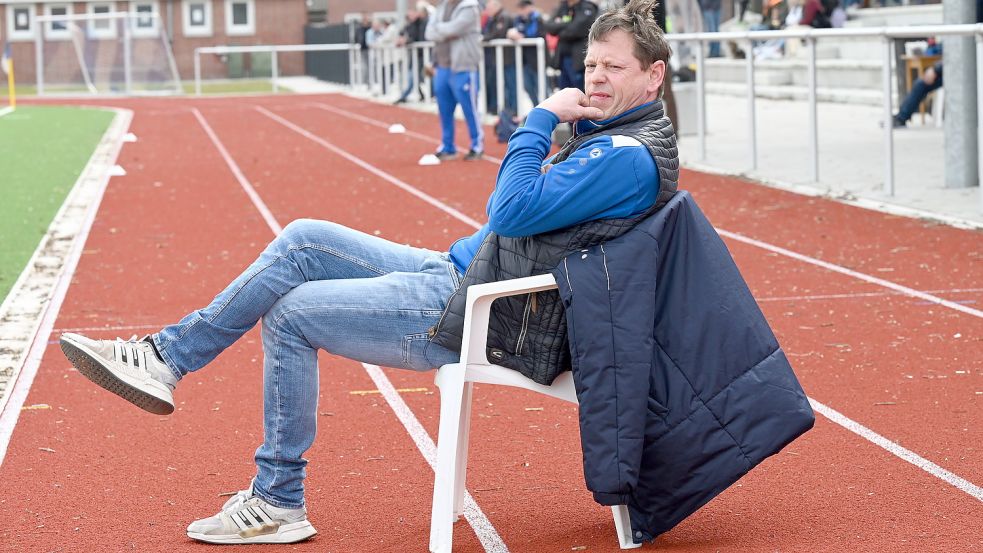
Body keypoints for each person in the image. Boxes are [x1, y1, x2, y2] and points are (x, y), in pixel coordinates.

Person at [59, 0, 677, 545]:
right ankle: (165, 359)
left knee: (292, 314)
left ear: (653, 75)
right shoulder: (614, 138)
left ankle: (278, 500)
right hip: (466, 271)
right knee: (303, 239)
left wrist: (541, 118)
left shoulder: (623, 157)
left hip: (478, 309)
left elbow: (509, 207)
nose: (595, 77)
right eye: (593, 64)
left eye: (612, 67)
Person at [425, 0, 484, 160]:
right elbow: (429, 33)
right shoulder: (441, 7)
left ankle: (476, 145)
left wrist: (440, 29)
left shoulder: (469, 7)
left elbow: (455, 28)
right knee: (444, 110)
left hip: (463, 66)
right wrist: (445, 32)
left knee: (469, 108)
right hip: (442, 66)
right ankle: (447, 146)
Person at [543, 0, 600, 91]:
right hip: (563, 59)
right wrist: (567, 24)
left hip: (578, 61)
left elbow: (575, 30)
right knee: (565, 94)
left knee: (580, 93)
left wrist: (559, 28)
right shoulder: (563, 7)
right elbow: (549, 26)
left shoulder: (587, 7)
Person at [507, 0, 546, 106]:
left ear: (530, 7)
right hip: (523, 60)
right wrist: (511, 34)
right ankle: (537, 107)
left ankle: (549, 112)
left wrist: (522, 37)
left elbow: (537, 34)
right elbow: (514, 32)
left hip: (537, 60)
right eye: (520, 8)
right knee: (528, 86)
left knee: (542, 87)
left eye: (524, 7)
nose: (521, 10)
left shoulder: (537, 18)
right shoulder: (518, 19)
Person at [481, 0, 517, 114]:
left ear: (496, 7)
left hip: (508, 58)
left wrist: (484, 38)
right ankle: (506, 109)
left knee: (510, 85)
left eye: (489, 8)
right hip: (500, 58)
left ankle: (513, 110)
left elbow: (499, 32)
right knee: (502, 84)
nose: (487, 11)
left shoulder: (503, 16)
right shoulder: (495, 18)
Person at [394, 4, 431, 104]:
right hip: (417, 55)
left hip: (423, 55)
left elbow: (419, 37)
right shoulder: (412, 24)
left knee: (420, 76)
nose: (410, 16)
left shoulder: (423, 23)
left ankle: (404, 96)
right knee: (417, 77)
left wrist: (406, 41)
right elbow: (404, 31)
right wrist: (401, 38)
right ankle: (422, 95)